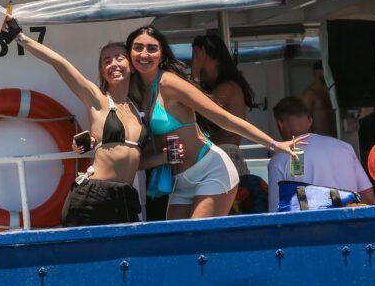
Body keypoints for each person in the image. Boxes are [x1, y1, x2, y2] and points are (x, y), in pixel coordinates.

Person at [0, 17, 170, 227]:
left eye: (119, 58)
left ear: (132, 66)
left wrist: (164, 157)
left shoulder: (139, 109)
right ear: (102, 71)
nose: (113, 64)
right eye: (107, 61)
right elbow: (59, 63)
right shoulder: (97, 100)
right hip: (93, 196)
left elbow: (135, 162)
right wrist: (20, 37)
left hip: (125, 198)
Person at [126, 26, 306, 220]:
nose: (144, 53)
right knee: (178, 244)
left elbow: (224, 118)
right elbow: (137, 158)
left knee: (197, 239)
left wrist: (274, 144)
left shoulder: (169, 83)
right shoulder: (136, 93)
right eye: (138, 47)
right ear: (130, 53)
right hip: (180, 181)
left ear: (162, 56)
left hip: (210, 171)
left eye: (152, 48)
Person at [191, 34, 268, 213]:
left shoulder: (229, 87)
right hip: (216, 158)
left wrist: (194, 73)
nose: (198, 64)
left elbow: (199, 108)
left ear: (216, 60)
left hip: (226, 158)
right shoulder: (216, 89)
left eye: (201, 59)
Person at [268, 96, 375, 212]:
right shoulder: (344, 148)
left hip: (307, 228)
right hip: (347, 226)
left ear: (280, 123)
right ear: (310, 120)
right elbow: (369, 199)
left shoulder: (279, 159)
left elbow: (276, 214)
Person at [301, 60, 336, 137]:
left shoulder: (328, 93)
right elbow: (302, 119)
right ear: (317, 71)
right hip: (318, 139)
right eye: (325, 71)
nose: (327, 74)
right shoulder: (309, 94)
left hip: (332, 139)